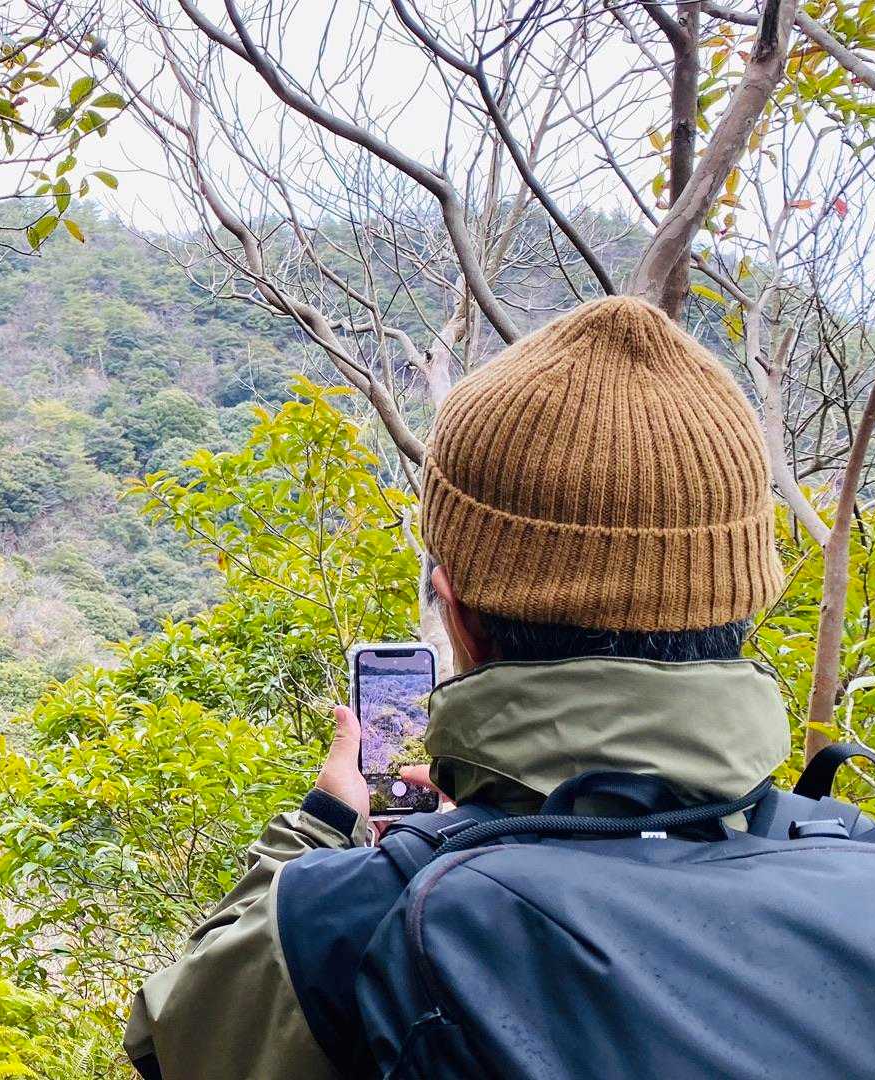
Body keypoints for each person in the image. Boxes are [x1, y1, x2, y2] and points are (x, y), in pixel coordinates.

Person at [124, 296, 799, 1078]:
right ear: (741, 601)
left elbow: (177, 1041)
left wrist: (322, 829)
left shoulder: (352, 925)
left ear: (460, 617)